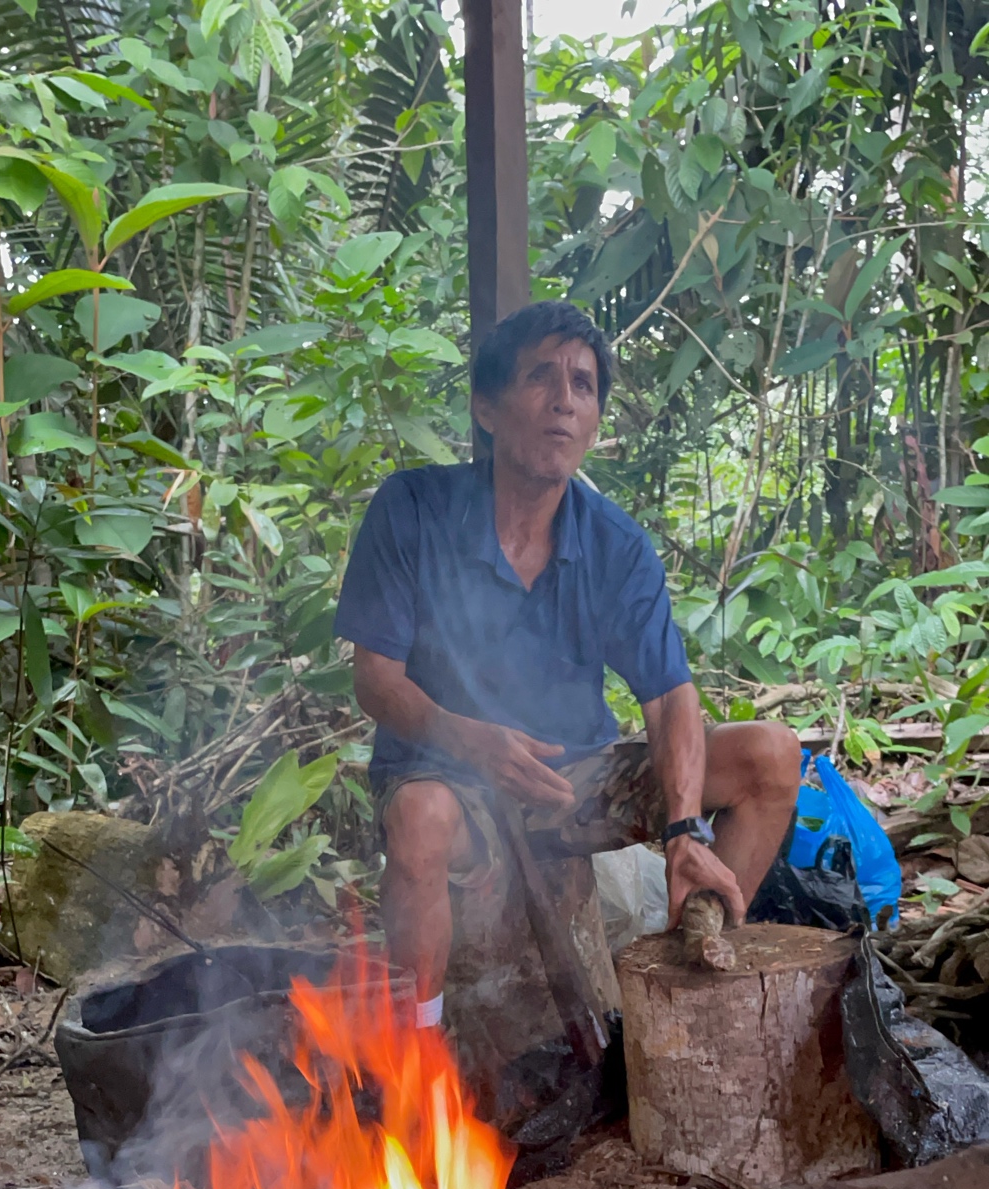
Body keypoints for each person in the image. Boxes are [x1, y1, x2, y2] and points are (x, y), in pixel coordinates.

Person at [335, 299, 801, 1030]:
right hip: (451, 776)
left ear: (595, 422)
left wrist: (684, 830)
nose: (563, 401)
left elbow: (670, 696)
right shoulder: (413, 510)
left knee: (772, 756)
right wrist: (473, 741)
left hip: (575, 778)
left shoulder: (615, 545)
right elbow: (375, 680)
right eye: (540, 379)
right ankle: (418, 1043)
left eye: (583, 385)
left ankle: (686, 992)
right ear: (487, 409)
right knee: (421, 818)